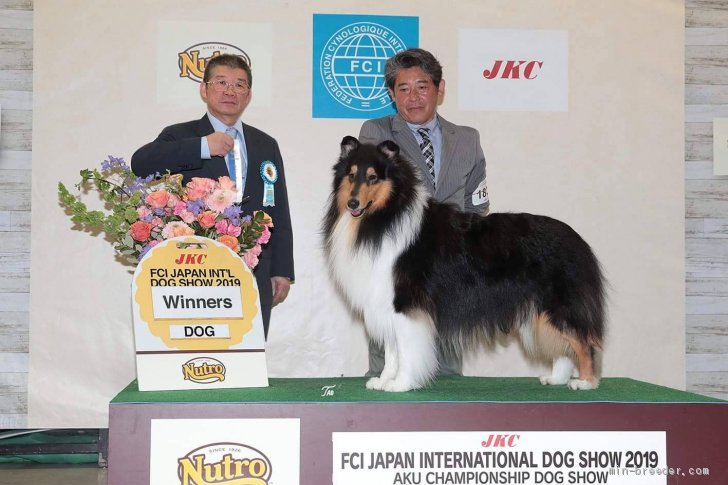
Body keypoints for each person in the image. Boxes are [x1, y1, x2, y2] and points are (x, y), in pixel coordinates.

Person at [131, 54, 294, 337]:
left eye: (239, 84)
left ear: (248, 95)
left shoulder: (265, 144)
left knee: (248, 349)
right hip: (195, 268)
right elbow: (141, 164)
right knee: (197, 350)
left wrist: (281, 269)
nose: (230, 91)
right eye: (221, 82)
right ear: (204, 89)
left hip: (255, 268)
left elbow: (278, 208)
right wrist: (203, 147)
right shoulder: (181, 134)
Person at [359, 48, 490, 376]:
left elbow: (477, 202)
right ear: (392, 95)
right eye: (403, 89)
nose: (413, 97)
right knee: (392, 370)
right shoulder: (375, 132)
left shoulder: (468, 139)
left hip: (450, 268)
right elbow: (370, 196)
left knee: (447, 373)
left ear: (439, 88)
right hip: (398, 266)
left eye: (422, 86)